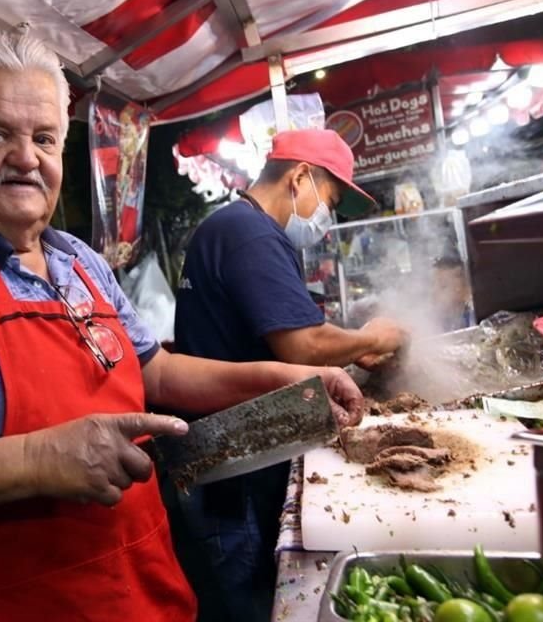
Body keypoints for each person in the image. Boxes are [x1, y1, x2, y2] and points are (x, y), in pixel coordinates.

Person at [0, 25, 364, 622]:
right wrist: (34, 460)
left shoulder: (78, 261)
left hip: (143, 590)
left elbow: (156, 371)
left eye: (44, 138)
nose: (26, 158)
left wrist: (285, 381)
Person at [172, 128, 408, 621]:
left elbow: (280, 336)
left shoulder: (232, 226)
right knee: (249, 604)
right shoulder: (251, 233)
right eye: (330, 201)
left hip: (223, 455)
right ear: (300, 177)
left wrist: (347, 351)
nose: (327, 218)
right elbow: (303, 344)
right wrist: (371, 338)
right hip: (231, 468)